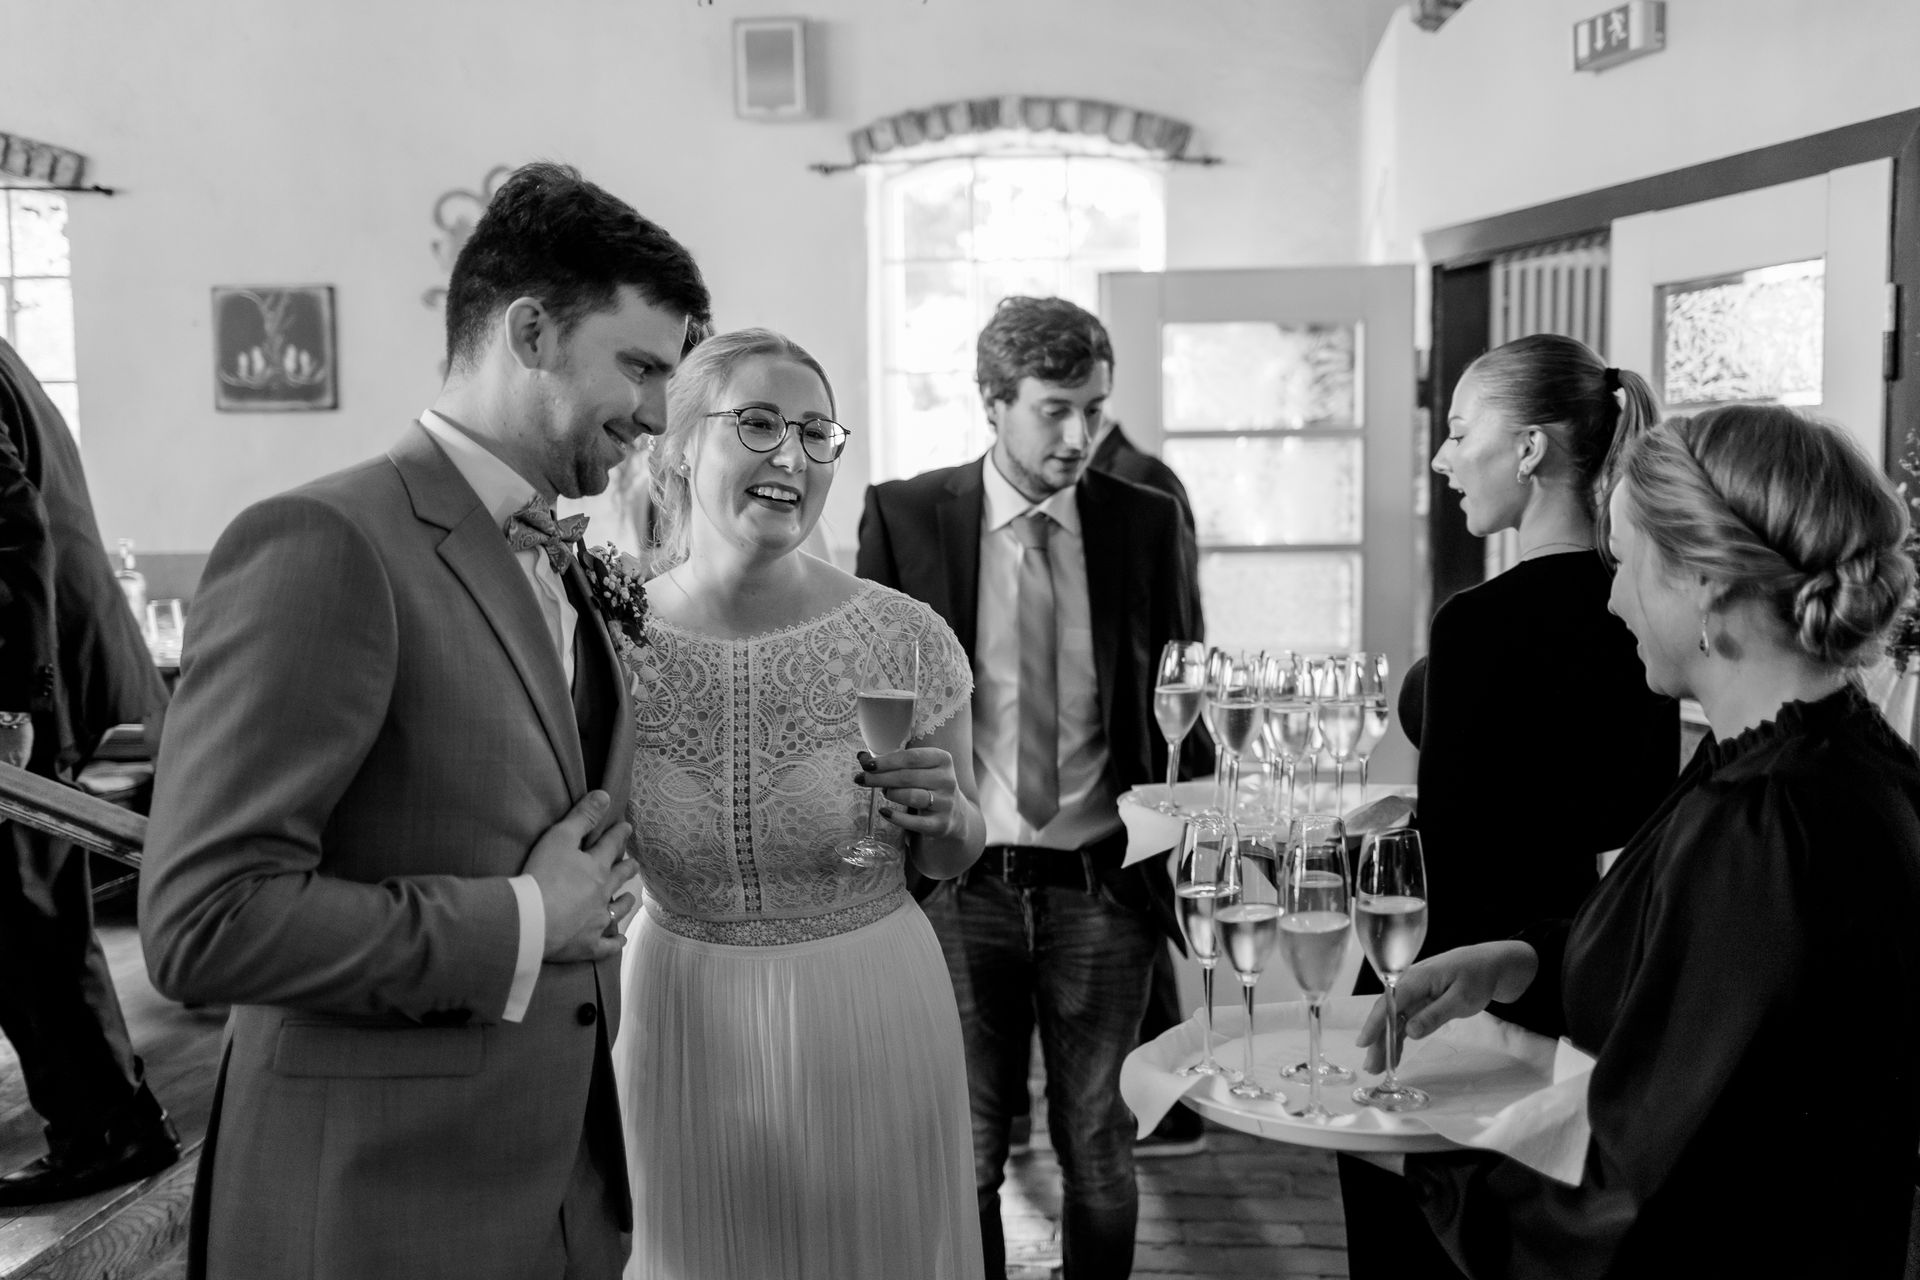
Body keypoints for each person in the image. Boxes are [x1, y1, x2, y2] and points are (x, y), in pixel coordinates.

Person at [139, 162, 711, 1280]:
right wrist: (525, 915)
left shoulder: (571, 559)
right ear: (533, 331)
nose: (653, 414)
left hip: (559, 1192)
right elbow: (203, 921)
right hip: (375, 1207)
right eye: (638, 365)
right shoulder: (327, 542)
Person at [1352, 404, 1920, 1278]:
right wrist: (1523, 960)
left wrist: (1409, 1153)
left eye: (1625, 562)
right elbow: (1702, 977)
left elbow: (1638, 1199)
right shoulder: (1828, 758)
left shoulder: (1766, 823)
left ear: (1704, 581)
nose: (1612, 596)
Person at [613, 327, 984, 1279]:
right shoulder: (608, 640)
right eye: (761, 424)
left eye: (817, 433)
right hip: (678, 1017)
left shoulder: (903, 635)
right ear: (679, 446)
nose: (792, 456)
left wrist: (946, 820)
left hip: (866, 1008)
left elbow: (954, 852)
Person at [858, 296, 1207, 1280]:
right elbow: (875, 700)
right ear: (993, 401)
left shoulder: (1147, 521)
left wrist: (1190, 854)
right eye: (1055, 409)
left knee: (1097, 1137)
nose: (1080, 434)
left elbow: (1183, 697)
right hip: (959, 885)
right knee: (966, 1146)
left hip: (1104, 882)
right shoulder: (905, 513)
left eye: (1094, 408)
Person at [1342, 335, 1681, 1278]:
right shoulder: (1645, 611)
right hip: (1574, 981)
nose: (1445, 459)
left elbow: (1449, 856)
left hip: (1452, 991)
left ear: (1528, 450)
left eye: (1458, 432)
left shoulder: (1482, 623)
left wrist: (1348, 853)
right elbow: (1629, 821)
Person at [0, 336, 178, 1205]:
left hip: (28, 697)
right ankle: (109, 1122)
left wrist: (6, 712)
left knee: (28, 923)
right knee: (29, 920)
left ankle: (110, 1132)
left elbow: (11, 529)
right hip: (56, 675)